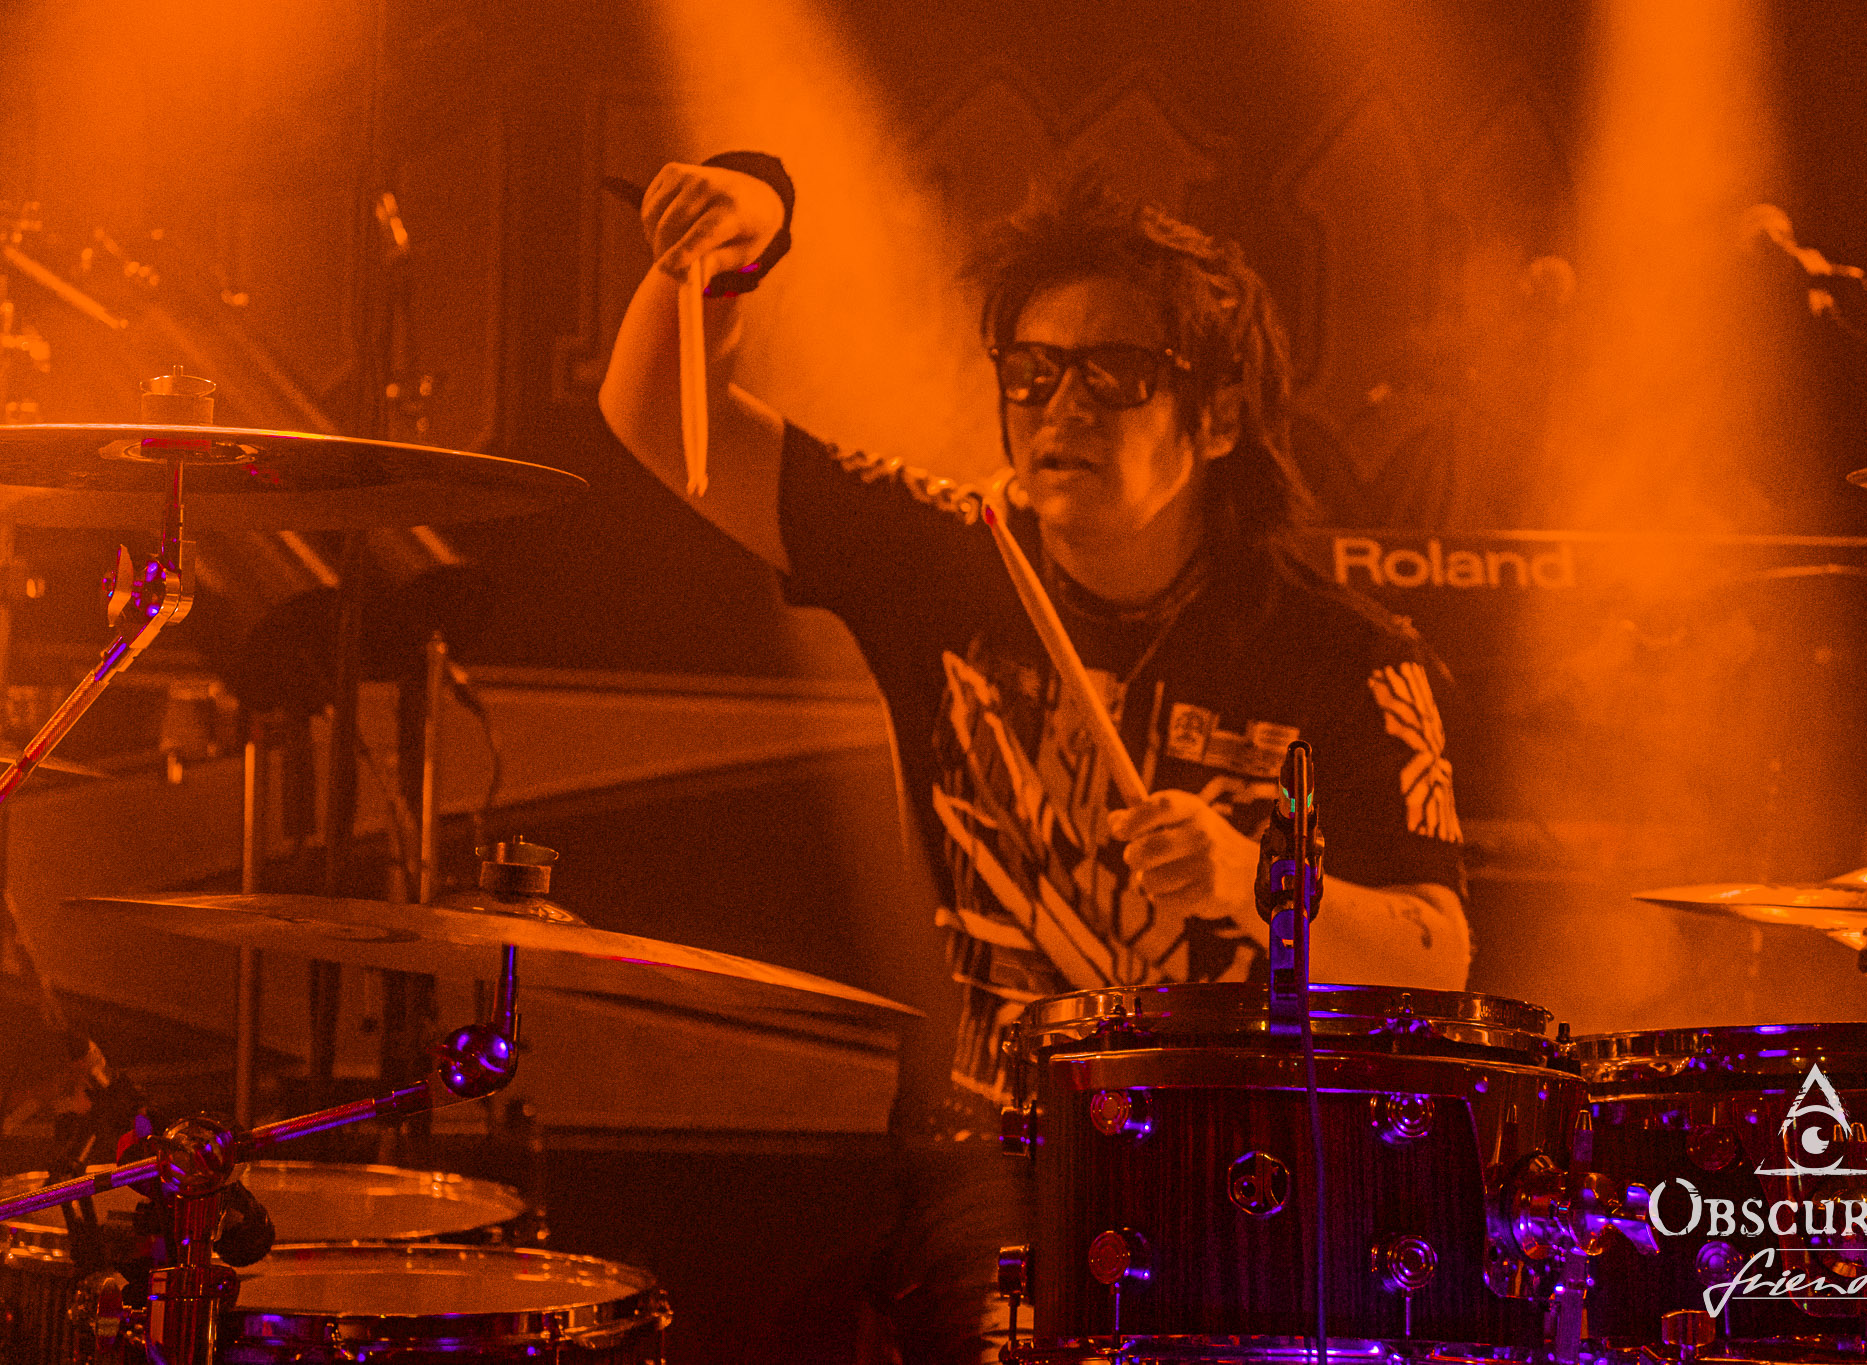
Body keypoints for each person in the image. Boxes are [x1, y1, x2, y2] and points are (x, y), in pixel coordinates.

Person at [601, 154, 1471, 1361]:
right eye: (1030, 371)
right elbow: (654, 414)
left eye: (1115, 373)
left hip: (1254, 1157)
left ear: (1217, 417)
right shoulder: (946, 553)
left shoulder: (1344, 654)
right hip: (993, 1150)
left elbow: (1437, 955)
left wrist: (1251, 881)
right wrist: (745, 225)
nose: (1061, 406)